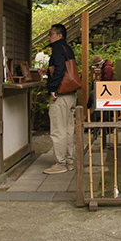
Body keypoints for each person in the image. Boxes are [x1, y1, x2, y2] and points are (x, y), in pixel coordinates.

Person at [43, 23, 77, 174]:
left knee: (58, 129)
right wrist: (48, 71)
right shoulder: (67, 48)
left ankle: (60, 163)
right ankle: (69, 161)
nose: (49, 37)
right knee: (69, 129)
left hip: (61, 94)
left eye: (51, 34)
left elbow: (60, 69)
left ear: (59, 35)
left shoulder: (56, 49)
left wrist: (52, 88)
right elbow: (64, 68)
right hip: (71, 93)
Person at [90, 54, 115, 148]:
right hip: (106, 91)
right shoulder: (107, 67)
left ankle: (103, 127)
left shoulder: (107, 68)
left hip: (107, 91)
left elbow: (106, 80)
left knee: (93, 98)